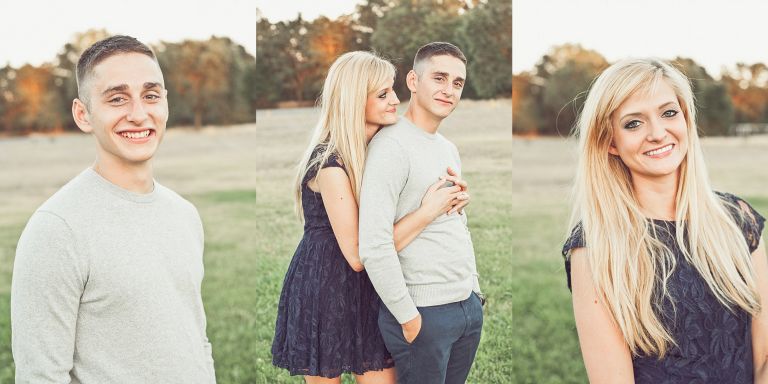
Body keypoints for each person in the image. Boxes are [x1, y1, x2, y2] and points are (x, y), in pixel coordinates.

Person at [11, 35, 216, 383]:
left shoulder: (185, 214)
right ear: (83, 114)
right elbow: (40, 375)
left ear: (165, 103)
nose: (139, 114)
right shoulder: (56, 229)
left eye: (150, 96)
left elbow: (196, 339)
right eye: (117, 99)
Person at [563, 58, 768, 383]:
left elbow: (763, 361)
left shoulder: (738, 220)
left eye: (669, 113)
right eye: (633, 123)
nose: (658, 133)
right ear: (610, 142)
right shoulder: (595, 246)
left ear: (686, 119)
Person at [271, 51, 469, 384]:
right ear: (353, 100)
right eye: (382, 94)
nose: (395, 100)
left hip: (375, 288)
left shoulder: (379, 147)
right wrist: (428, 212)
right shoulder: (329, 164)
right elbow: (359, 255)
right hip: (326, 286)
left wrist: (454, 195)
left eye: (392, 90)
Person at [358, 42, 484, 384]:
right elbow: (373, 244)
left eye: (457, 83)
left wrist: (473, 291)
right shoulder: (390, 146)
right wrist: (408, 318)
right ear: (413, 80)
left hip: (466, 306)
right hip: (423, 312)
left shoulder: (447, 148)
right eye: (439, 78)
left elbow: (457, 223)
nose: (449, 89)